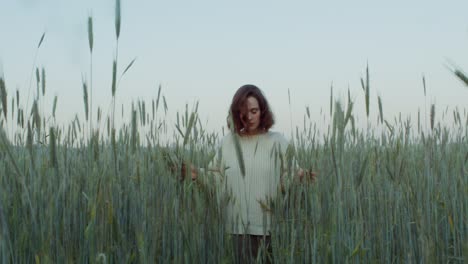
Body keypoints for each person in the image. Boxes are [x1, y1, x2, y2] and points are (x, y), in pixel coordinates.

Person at [190, 84, 316, 263]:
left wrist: (298, 176)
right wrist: (198, 174)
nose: (249, 117)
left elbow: (286, 177)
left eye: (254, 111)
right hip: (235, 230)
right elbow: (216, 177)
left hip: (269, 230)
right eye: (243, 112)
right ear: (236, 113)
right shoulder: (228, 142)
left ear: (263, 110)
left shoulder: (278, 141)